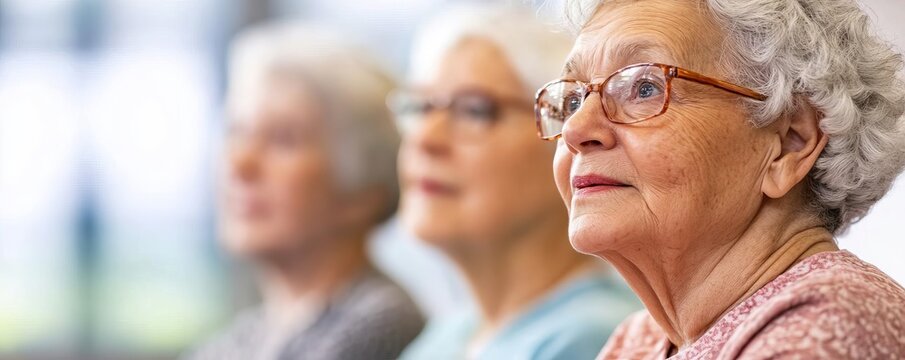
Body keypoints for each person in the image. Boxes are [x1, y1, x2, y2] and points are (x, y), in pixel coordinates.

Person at [534, 0, 905, 358]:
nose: (575, 129)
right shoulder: (638, 340)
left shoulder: (830, 323)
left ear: (791, 144)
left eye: (645, 88)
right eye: (574, 100)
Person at [393, 5, 640, 360]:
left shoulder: (590, 339)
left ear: (569, 137)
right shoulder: (449, 335)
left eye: (474, 110)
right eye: (421, 108)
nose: (426, 139)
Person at [188, 23, 424, 360]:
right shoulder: (244, 337)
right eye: (236, 131)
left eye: (283, 139)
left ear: (364, 189)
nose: (240, 164)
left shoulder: (381, 323)